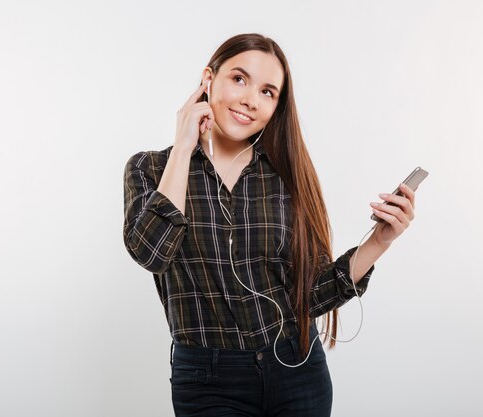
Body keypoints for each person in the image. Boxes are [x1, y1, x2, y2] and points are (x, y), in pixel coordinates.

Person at [123, 33, 417, 417]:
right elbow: (151, 253)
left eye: (267, 92)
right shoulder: (150, 169)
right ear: (208, 80)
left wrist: (379, 241)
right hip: (207, 381)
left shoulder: (286, 175)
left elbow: (311, 295)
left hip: (297, 370)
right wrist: (183, 146)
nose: (250, 100)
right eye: (239, 79)